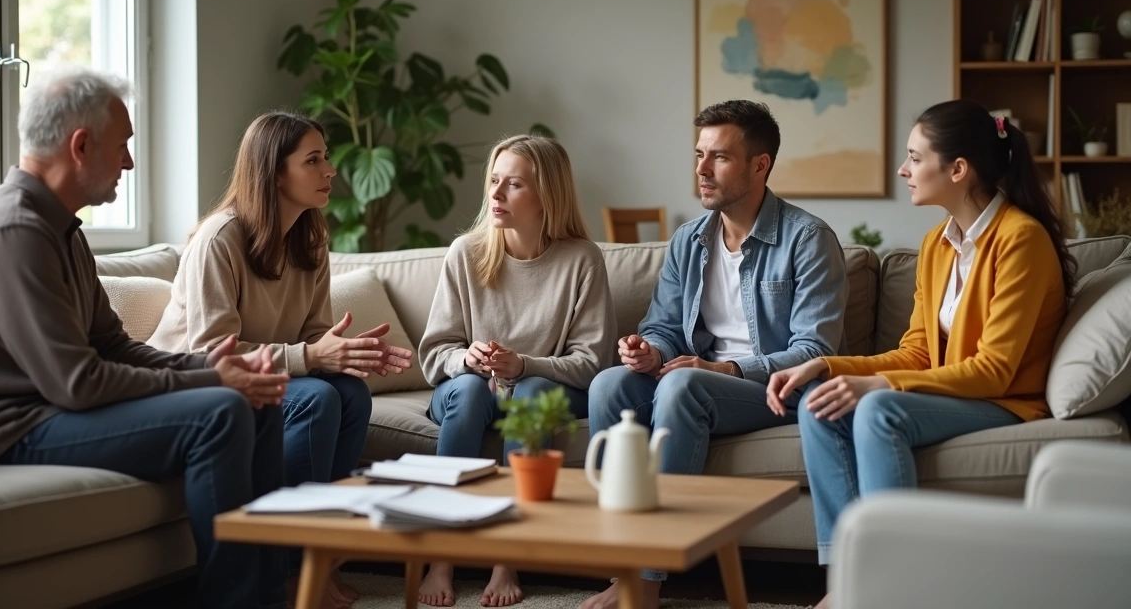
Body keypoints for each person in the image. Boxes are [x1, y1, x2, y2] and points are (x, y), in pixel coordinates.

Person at [0, 66, 292, 609]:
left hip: (49, 411)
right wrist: (214, 381)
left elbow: (112, 347)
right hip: (5, 430)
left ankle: (271, 595)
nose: (130, 162)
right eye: (123, 147)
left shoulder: (61, 229)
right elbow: (78, 383)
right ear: (81, 145)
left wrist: (204, 367)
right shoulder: (13, 233)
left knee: (258, 403)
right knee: (221, 411)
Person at [767, 99, 1076, 609]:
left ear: (957, 169)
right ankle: (848, 581)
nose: (903, 170)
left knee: (879, 407)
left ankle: (896, 588)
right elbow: (916, 352)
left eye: (914, 157)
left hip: (1005, 399)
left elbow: (996, 370)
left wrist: (878, 385)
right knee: (821, 401)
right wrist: (826, 366)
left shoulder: (1021, 239)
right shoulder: (937, 244)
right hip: (959, 391)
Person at [581, 100, 848, 609]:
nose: (701, 169)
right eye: (699, 154)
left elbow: (814, 350)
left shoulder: (808, 239)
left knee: (684, 384)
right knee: (609, 384)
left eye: (719, 157)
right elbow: (663, 326)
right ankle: (619, 563)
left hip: (776, 390)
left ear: (759, 165)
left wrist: (723, 368)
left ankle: (648, 581)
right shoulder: (689, 240)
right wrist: (648, 351)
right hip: (702, 382)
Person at [149, 109, 413, 607]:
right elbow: (212, 351)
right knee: (315, 399)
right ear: (274, 172)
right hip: (204, 383)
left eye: (326, 158)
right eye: (314, 160)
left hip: (268, 376)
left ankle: (321, 557)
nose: (330, 170)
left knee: (350, 394)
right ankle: (291, 569)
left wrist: (347, 353)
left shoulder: (310, 238)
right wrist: (312, 356)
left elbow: (314, 332)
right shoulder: (219, 240)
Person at [417, 134, 615, 607]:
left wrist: (524, 364)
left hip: (544, 390)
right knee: (467, 392)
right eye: (493, 181)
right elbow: (433, 354)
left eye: (515, 184)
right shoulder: (466, 253)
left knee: (528, 394)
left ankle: (507, 558)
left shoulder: (582, 260)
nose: (497, 194)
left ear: (547, 194)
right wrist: (465, 358)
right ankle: (439, 559)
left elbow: (592, 364)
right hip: (470, 390)